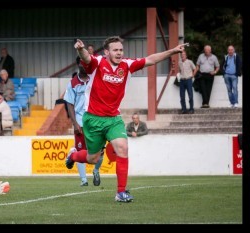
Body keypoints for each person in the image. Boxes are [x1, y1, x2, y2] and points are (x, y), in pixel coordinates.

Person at [65, 36, 186, 203]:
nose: (119, 53)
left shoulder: (127, 65)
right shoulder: (98, 63)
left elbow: (150, 59)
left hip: (113, 118)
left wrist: (173, 51)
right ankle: (73, 156)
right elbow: (86, 57)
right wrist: (80, 49)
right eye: (115, 50)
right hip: (93, 119)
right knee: (93, 159)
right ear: (107, 52)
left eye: (121, 50)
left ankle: (120, 192)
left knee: (122, 147)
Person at [64, 64, 103, 186]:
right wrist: (75, 123)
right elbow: (69, 103)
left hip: (96, 121)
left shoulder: (95, 78)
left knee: (100, 151)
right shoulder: (73, 83)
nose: (84, 66)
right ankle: (84, 180)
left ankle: (96, 171)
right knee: (81, 150)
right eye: (82, 64)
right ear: (78, 66)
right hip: (81, 122)